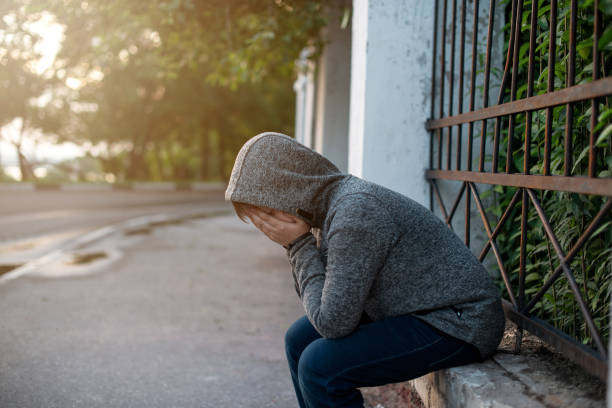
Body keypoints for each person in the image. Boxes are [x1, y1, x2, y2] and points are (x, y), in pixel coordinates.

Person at [225, 132, 505, 408]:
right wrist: (298, 247)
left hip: (460, 320)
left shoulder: (355, 212)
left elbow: (332, 322)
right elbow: (320, 303)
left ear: (288, 187)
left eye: (267, 215)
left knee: (319, 367)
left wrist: (298, 245)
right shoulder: (328, 207)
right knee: (299, 338)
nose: (268, 229)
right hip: (417, 310)